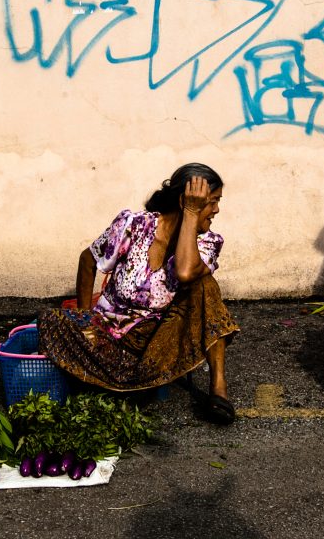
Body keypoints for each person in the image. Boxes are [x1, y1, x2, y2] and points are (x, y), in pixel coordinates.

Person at [38, 163, 240, 424]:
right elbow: (87, 260)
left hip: (158, 344)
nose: (217, 210)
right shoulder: (134, 226)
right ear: (184, 201)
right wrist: (85, 317)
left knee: (205, 285)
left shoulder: (208, 242)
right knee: (50, 320)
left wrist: (190, 214)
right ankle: (124, 385)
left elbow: (185, 272)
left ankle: (218, 388)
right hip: (109, 338)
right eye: (212, 202)